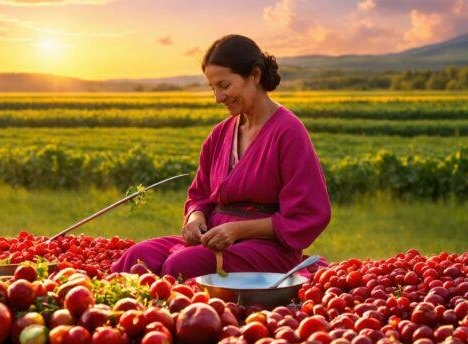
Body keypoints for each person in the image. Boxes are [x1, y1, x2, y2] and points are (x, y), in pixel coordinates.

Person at [110, 34, 331, 280]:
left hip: (268, 248)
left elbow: (307, 214)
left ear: (255, 76)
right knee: (137, 257)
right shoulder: (220, 134)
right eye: (213, 88)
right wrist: (195, 217)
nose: (218, 97)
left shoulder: (289, 132)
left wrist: (238, 230)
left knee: (182, 265)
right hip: (214, 238)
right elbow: (200, 195)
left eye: (224, 86)